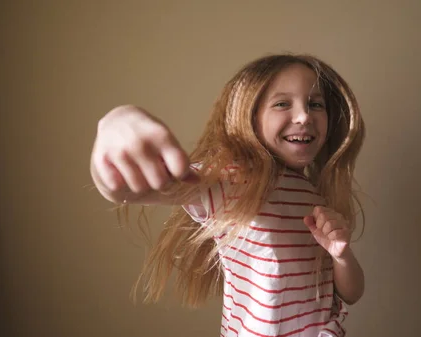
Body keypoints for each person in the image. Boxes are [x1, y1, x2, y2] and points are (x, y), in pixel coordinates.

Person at [90, 54, 366, 337]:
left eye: (315, 104)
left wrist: (341, 255)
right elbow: (128, 189)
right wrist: (115, 124)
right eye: (282, 103)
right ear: (250, 116)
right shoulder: (232, 183)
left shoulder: (316, 197)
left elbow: (351, 293)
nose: (304, 116)